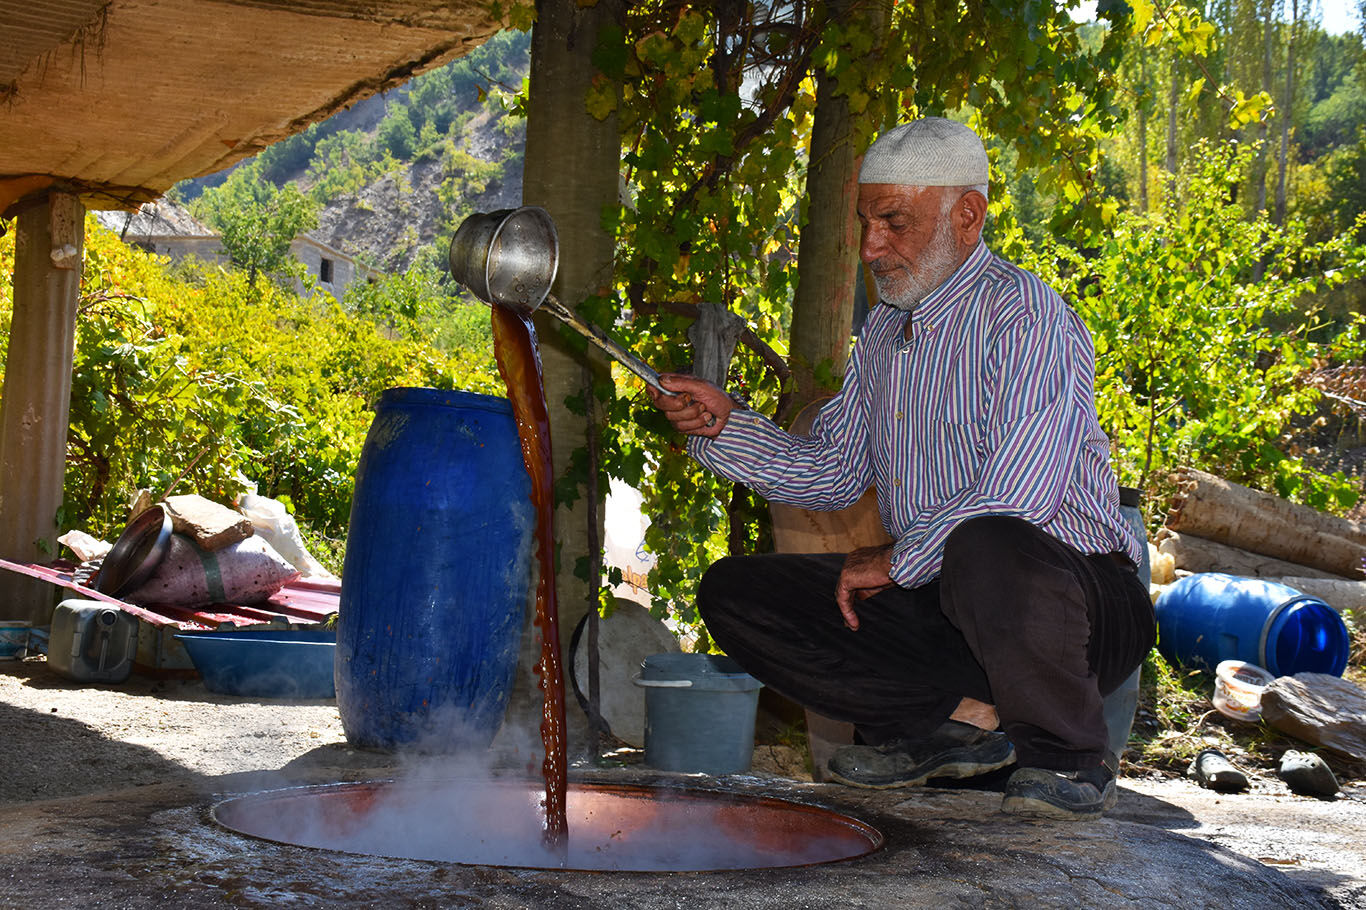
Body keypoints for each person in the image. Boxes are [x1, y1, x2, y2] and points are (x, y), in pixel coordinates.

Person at [647, 117, 1156, 822]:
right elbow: (830, 472)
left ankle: (1068, 756)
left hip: (1071, 603)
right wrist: (725, 425)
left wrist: (899, 558)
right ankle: (960, 721)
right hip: (948, 600)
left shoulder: (1026, 315)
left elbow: (1021, 493)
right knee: (738, 592)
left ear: (967, 215)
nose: (870, 247)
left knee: (987, 542)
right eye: (865, 223)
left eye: (893, 222)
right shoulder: (885, 332)